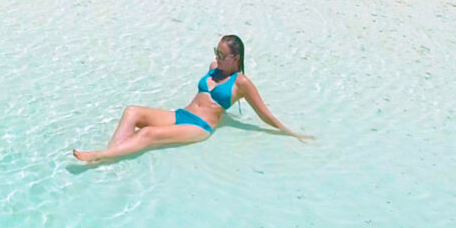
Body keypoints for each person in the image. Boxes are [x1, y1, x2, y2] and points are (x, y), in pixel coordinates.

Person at [70, 33, 309, 164]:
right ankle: (110, 155)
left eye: (222, 54)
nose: (217, 57)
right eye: (216, 52)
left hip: (199, 127)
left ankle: (101, 156)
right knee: (132, 111)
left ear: (235, 58)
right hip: (181, 115)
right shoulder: (213, 68)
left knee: (148, 134)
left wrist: (290, 132)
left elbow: (264, 113)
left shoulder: (242, 83)